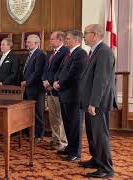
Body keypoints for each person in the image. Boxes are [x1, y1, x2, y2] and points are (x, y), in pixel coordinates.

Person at [79, 24, 117, 178]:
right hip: (91, 101)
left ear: (94, 35)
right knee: (92, 133)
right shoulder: (94, 51)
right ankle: (96, 160)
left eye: (85, 33)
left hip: (97, 103)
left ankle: (106, 169)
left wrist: (94, 103)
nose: (83, 36)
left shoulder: (104, 52)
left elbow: (101, 81)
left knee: (100, 135)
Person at [53, 30, 86, 161]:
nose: (66, 40)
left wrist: (59, 84)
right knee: (67, 123)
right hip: (64, 94)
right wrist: (55, 81)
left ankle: (76, 152)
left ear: (76, 40)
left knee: (75, 124)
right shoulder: (69, 53)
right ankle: (70, 148)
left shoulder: (81, 54)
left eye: (68, 38)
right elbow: (60, 71)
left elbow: (73, 75)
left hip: (73, 95)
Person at [42, 31, 69, 150]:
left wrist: (52, 82)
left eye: (52, 39)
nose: (50, 41)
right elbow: (45, 69)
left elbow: (62, 71)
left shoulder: (66, 52)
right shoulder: (50, 53)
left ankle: (62, 142)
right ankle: (55, 139)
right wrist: (44, 80)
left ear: (60, 40)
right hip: (49, 89)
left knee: (60, 117)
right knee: (53, 117)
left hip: (58, 89)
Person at [21, 34, 46, 142]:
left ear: (36, 43)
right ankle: (31, 133)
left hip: (36, 88)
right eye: (27, 42)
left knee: (37, 112)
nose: (27, 44)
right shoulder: (30, 54)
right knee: (29, 112)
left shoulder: (40, 54)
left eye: (29, 42)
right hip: (28, 88)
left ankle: (39, 135)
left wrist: (27, 82)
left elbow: (37, 72)